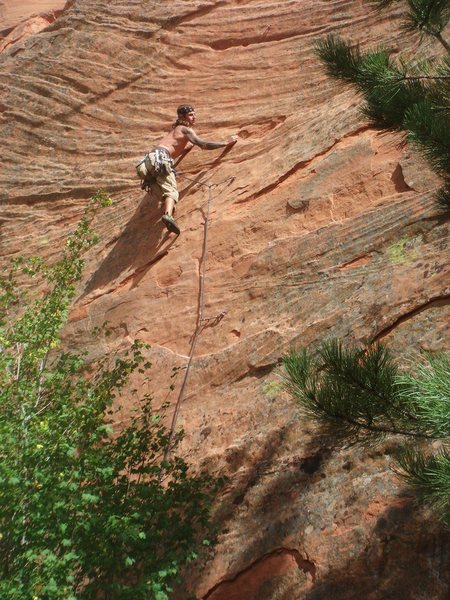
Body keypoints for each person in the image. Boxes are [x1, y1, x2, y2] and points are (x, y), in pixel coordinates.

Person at [136, 105, 237, 235]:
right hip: (160, 159)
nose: (194, 117)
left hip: (149, 162)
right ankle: (168, 216)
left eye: (194, 114)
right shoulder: (185, 129)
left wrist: (184, 149)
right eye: (191, 115)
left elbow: (173, 146)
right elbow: (203, 144)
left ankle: (168, 210)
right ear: (182, 117)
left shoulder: (175, 131)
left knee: (164, 196)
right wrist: (225, 143)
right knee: (171, 192)